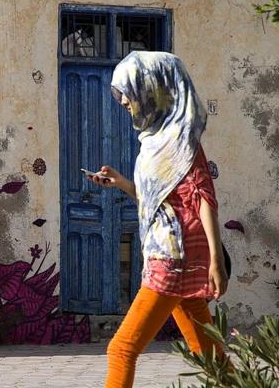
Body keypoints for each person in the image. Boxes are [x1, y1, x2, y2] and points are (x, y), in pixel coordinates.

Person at [85, 51, 228, 388]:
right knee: (206, 351)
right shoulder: (154, 140)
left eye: (128, 93)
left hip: (174, 257)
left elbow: (204, 198)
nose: (123, 102)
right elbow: (160, 200)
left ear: (150, 88)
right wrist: (120, 183)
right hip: (172, 252)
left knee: (121, 349)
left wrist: (217, 260)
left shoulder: (182, 142)